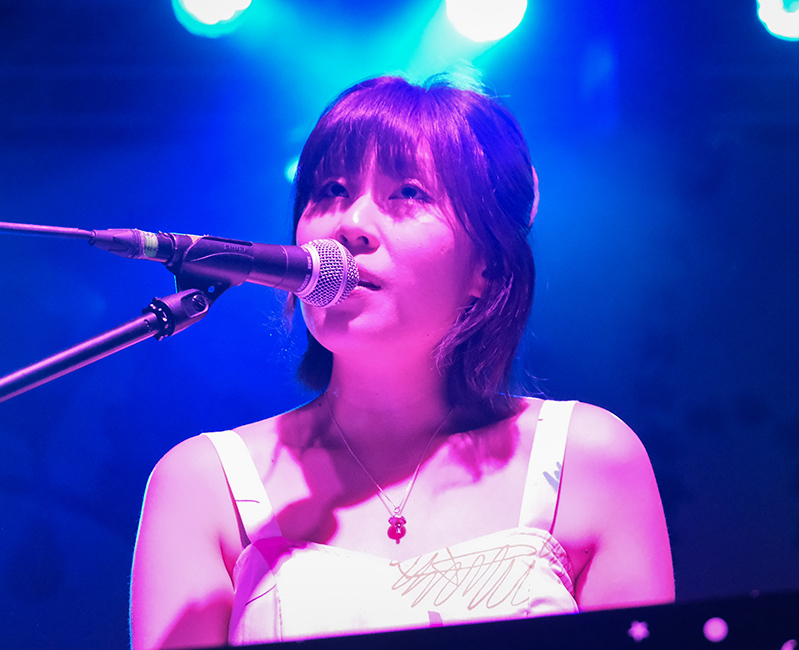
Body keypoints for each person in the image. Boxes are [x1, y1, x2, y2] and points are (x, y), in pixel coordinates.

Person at [129, 74, 674, 650]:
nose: (351, 224)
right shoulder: (204, 484)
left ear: (485, 270)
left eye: (408, 194)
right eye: (331, 190)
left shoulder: (588, 461)